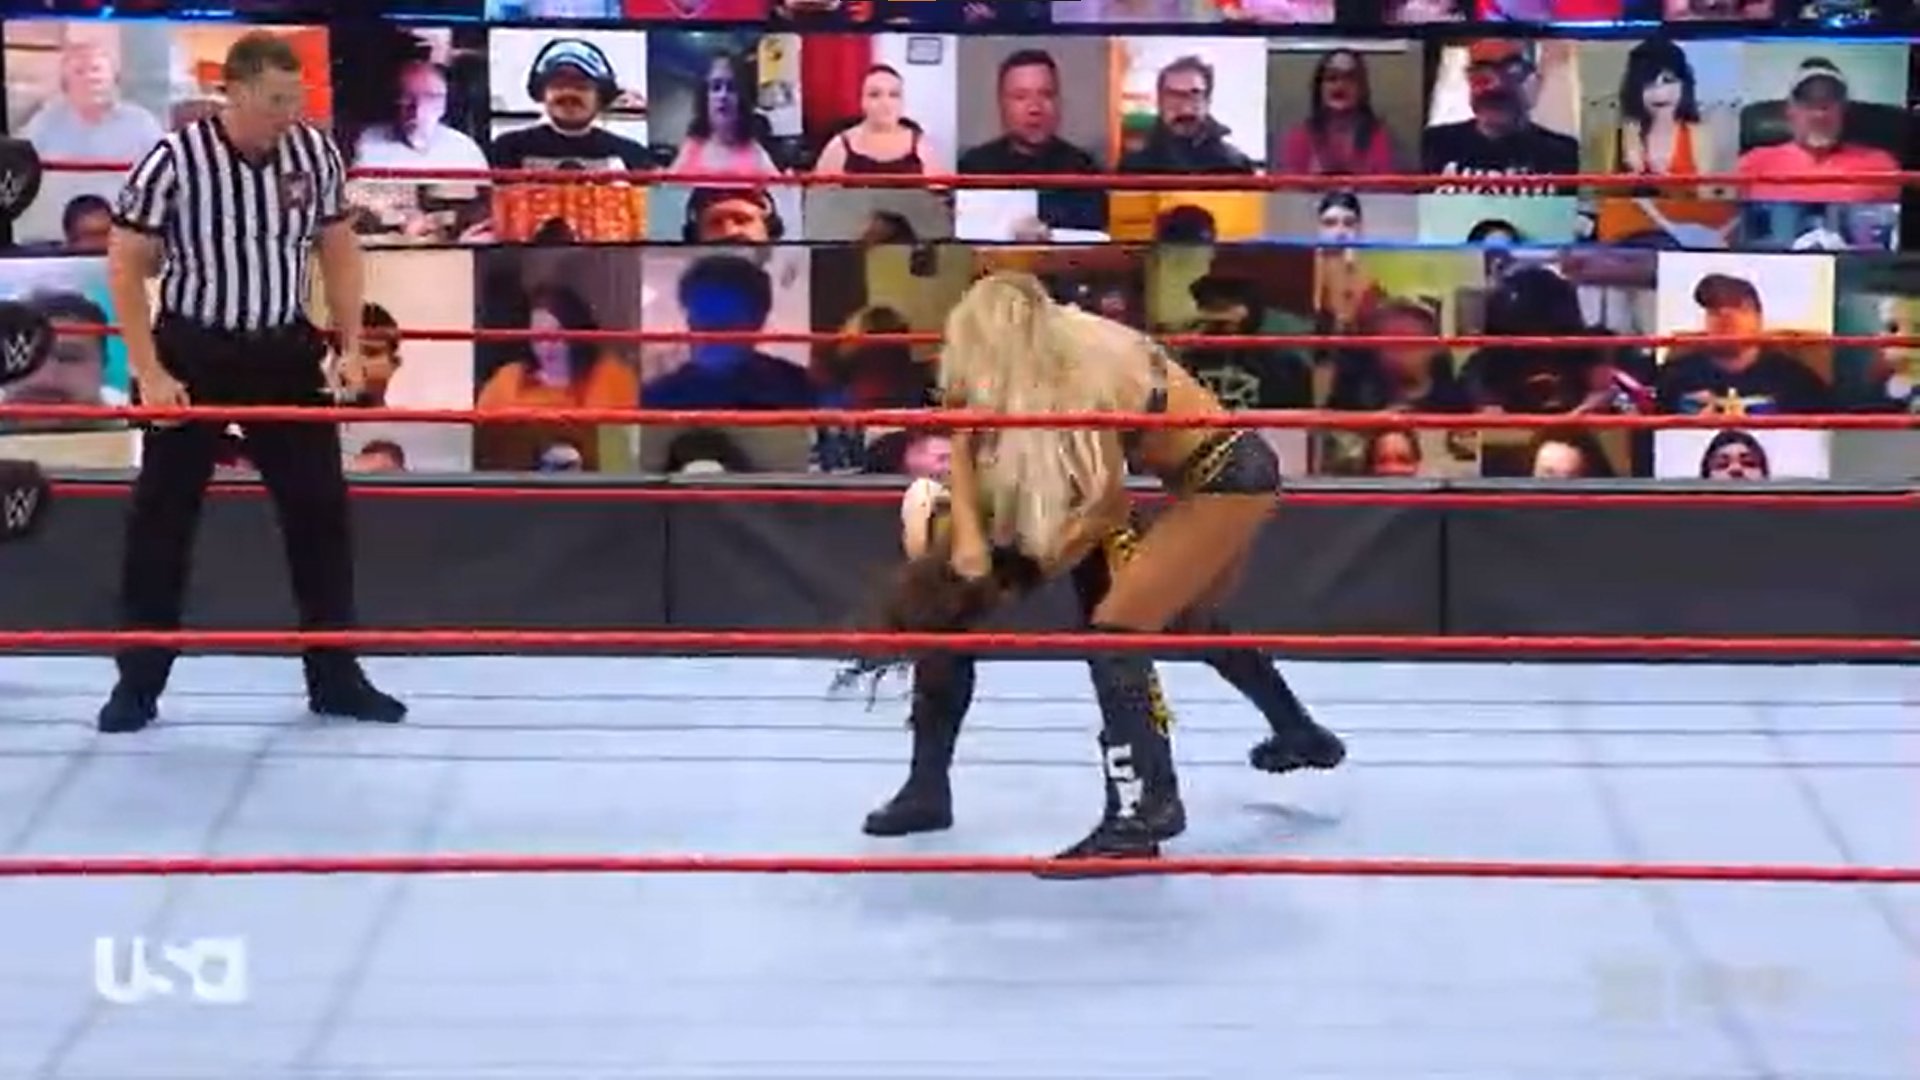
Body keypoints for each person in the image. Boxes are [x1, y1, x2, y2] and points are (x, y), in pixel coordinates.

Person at [931, 272, 1346, 859]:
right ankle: (1298, 732)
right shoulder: (1058, 340)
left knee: (1116, 631)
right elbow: (988, 444)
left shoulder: (1081, 372)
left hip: (1225, 478)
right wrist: (980, 530)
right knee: (1188, 620)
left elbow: (1103, 509)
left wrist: (1024, 573)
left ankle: (1148, 809)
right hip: (1223, 471)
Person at [98, 32, 405, 733]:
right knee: (162, 519)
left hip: (282, 351)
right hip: (193, 351)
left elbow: (337, 246)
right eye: (274, 101)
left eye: (295, 99)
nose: (286, 114)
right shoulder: (175, 160)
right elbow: (125, 261)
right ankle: (138, 684)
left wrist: (348, 343)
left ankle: (336, 677)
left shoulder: (314, 153)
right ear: (231, 93)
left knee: (320, 512)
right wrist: (149, 369)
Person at [851, 472, 1344, 843]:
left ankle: (1146, 799)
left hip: (1088, 510)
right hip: (1029, 506)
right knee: (943, 622)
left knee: (1136, 633)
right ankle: (926, 788)